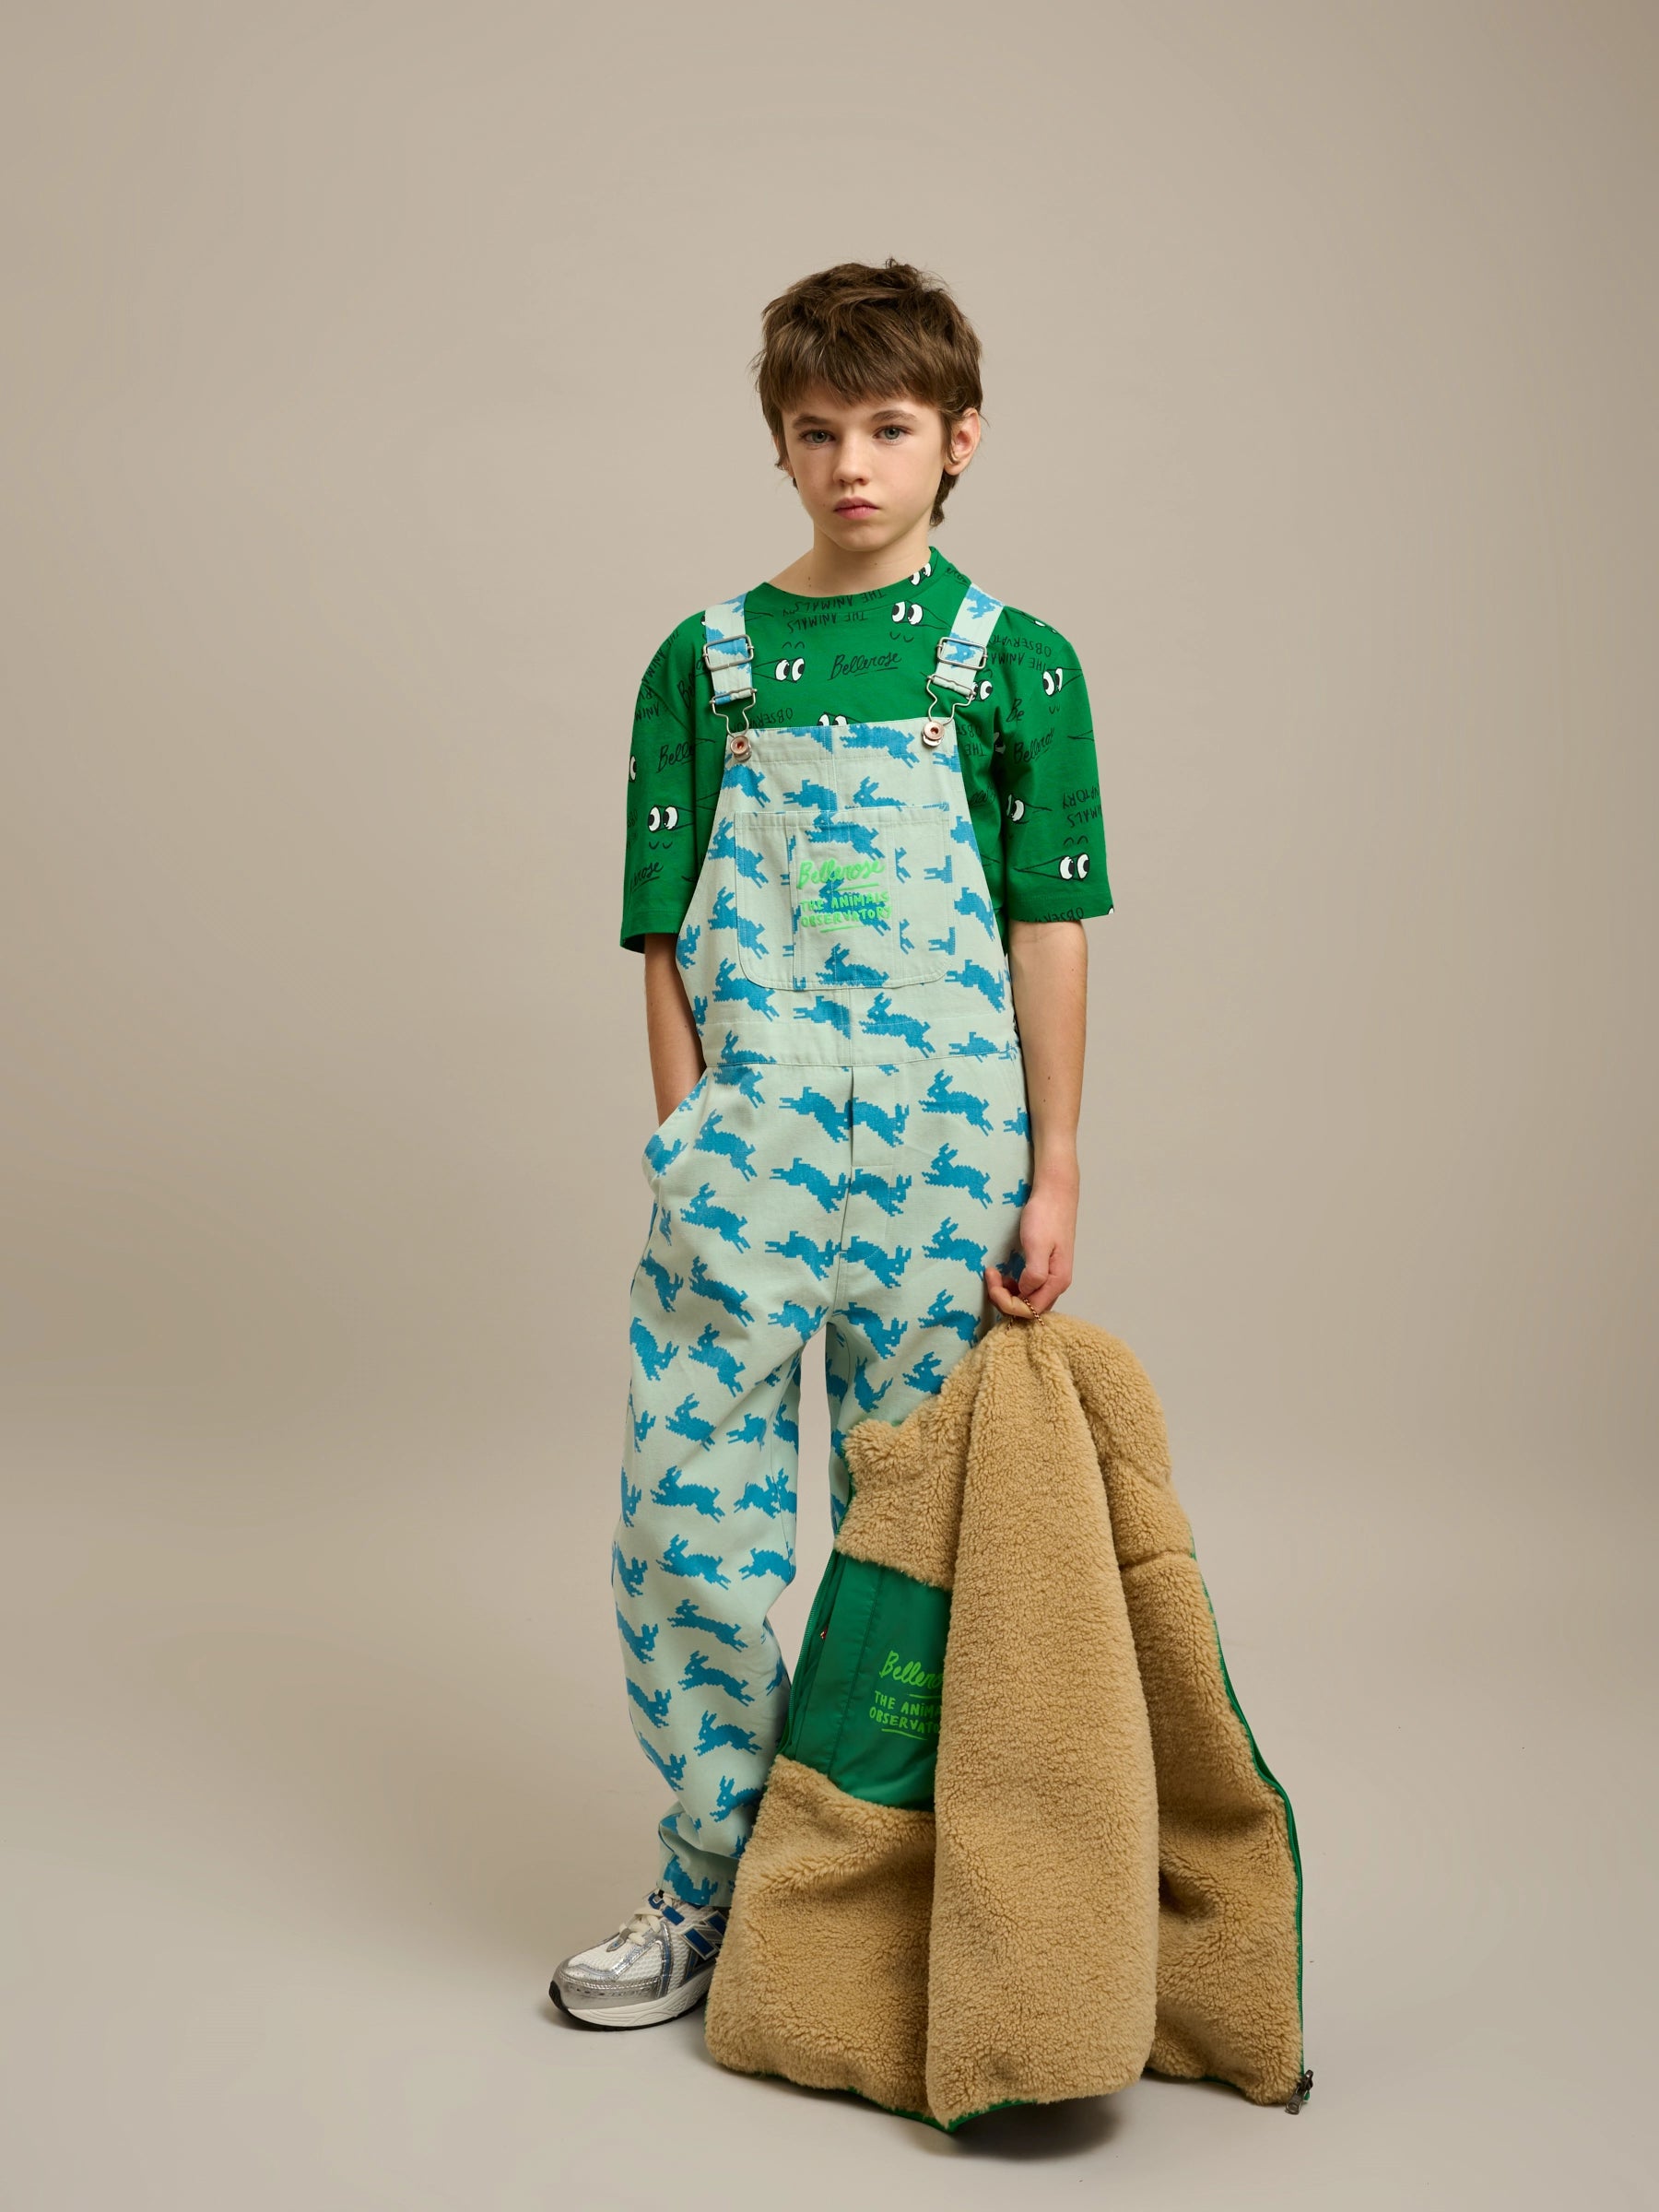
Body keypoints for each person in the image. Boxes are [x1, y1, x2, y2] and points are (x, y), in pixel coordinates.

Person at [549, 259, 1114, 2029]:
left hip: (952, 1157)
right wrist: (686, 1142)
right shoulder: (706, 667)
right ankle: (709, 1881)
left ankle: (881, 1895)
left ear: (961, 441)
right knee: (687, 1512)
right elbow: (662, 935)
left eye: (888, 428)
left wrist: (1056, 1167)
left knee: (920, 1527)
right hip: (751, 1146)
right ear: (779, 446)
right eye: (816, 432)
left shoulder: (1015, 662)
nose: (851, 465)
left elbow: (1047, 929)